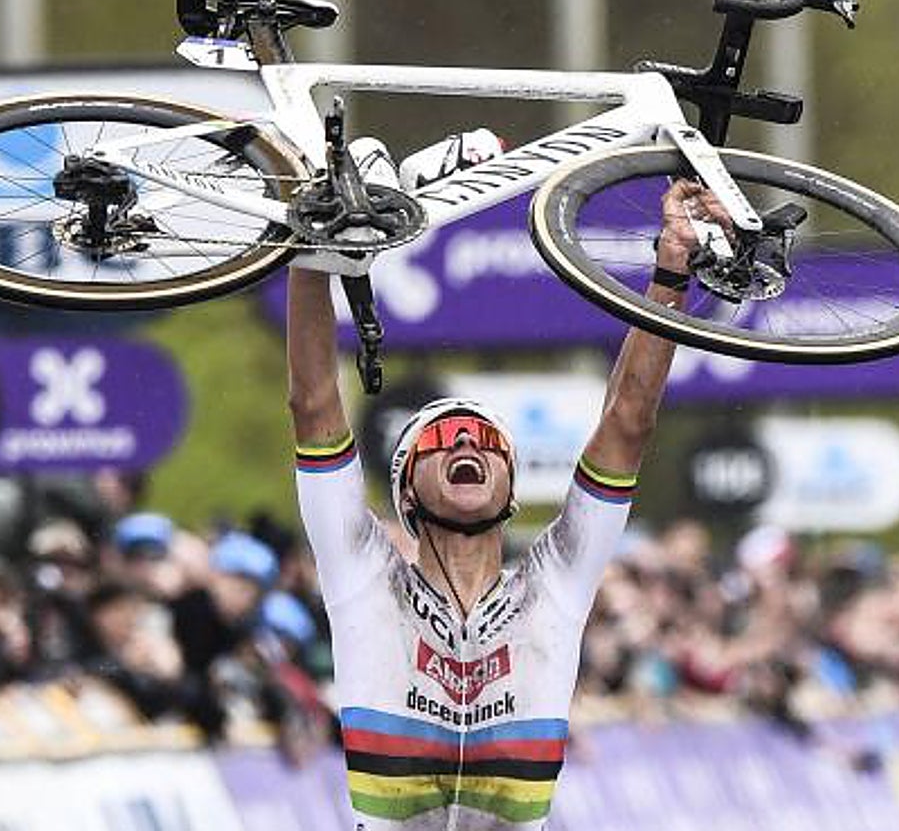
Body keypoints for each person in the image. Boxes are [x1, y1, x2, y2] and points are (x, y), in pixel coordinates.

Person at [286, 179, 725, 829]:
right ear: (406, 490)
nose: (467, 439)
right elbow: (314, 402)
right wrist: (310, 253)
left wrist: (671, 270)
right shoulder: (363, 578)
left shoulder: (553, 588)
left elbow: (628, 421)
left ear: (511, 491)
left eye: (488, 441)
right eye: (439, 439)